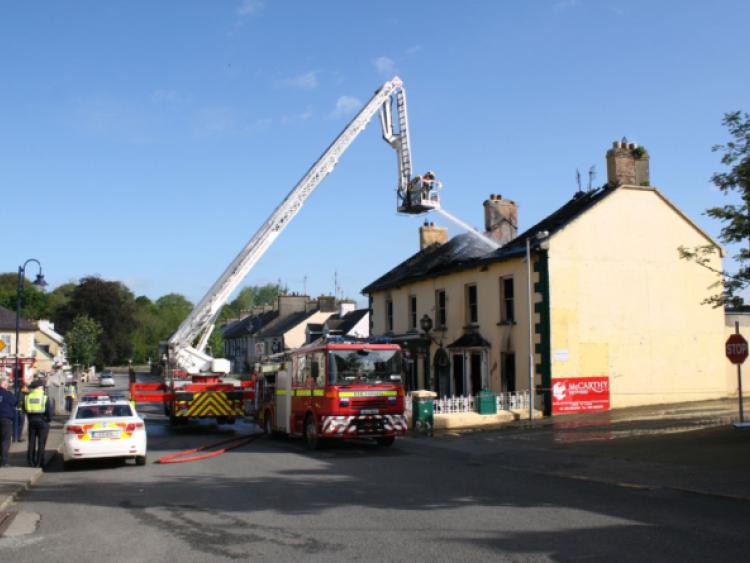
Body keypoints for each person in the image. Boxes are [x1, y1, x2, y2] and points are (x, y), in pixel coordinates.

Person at [24, 379, 52, 468]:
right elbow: (49, 411)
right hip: (42, 421)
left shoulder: (27, 397)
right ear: (39, 387)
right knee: (41, 443)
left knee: (31, 442)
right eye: (42, 386)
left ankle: (31, 461)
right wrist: (48, 419)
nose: (43, 388)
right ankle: (39, 462)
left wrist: (30, 417)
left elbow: (24, 409)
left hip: (31, 421)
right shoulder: (44, 397)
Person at [0, 375, 17, 467]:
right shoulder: (8, 394)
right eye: (6, 384)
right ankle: (4, 461)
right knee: (5, 440)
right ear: (4, 384)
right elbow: (15, 402)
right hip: (5, 420)